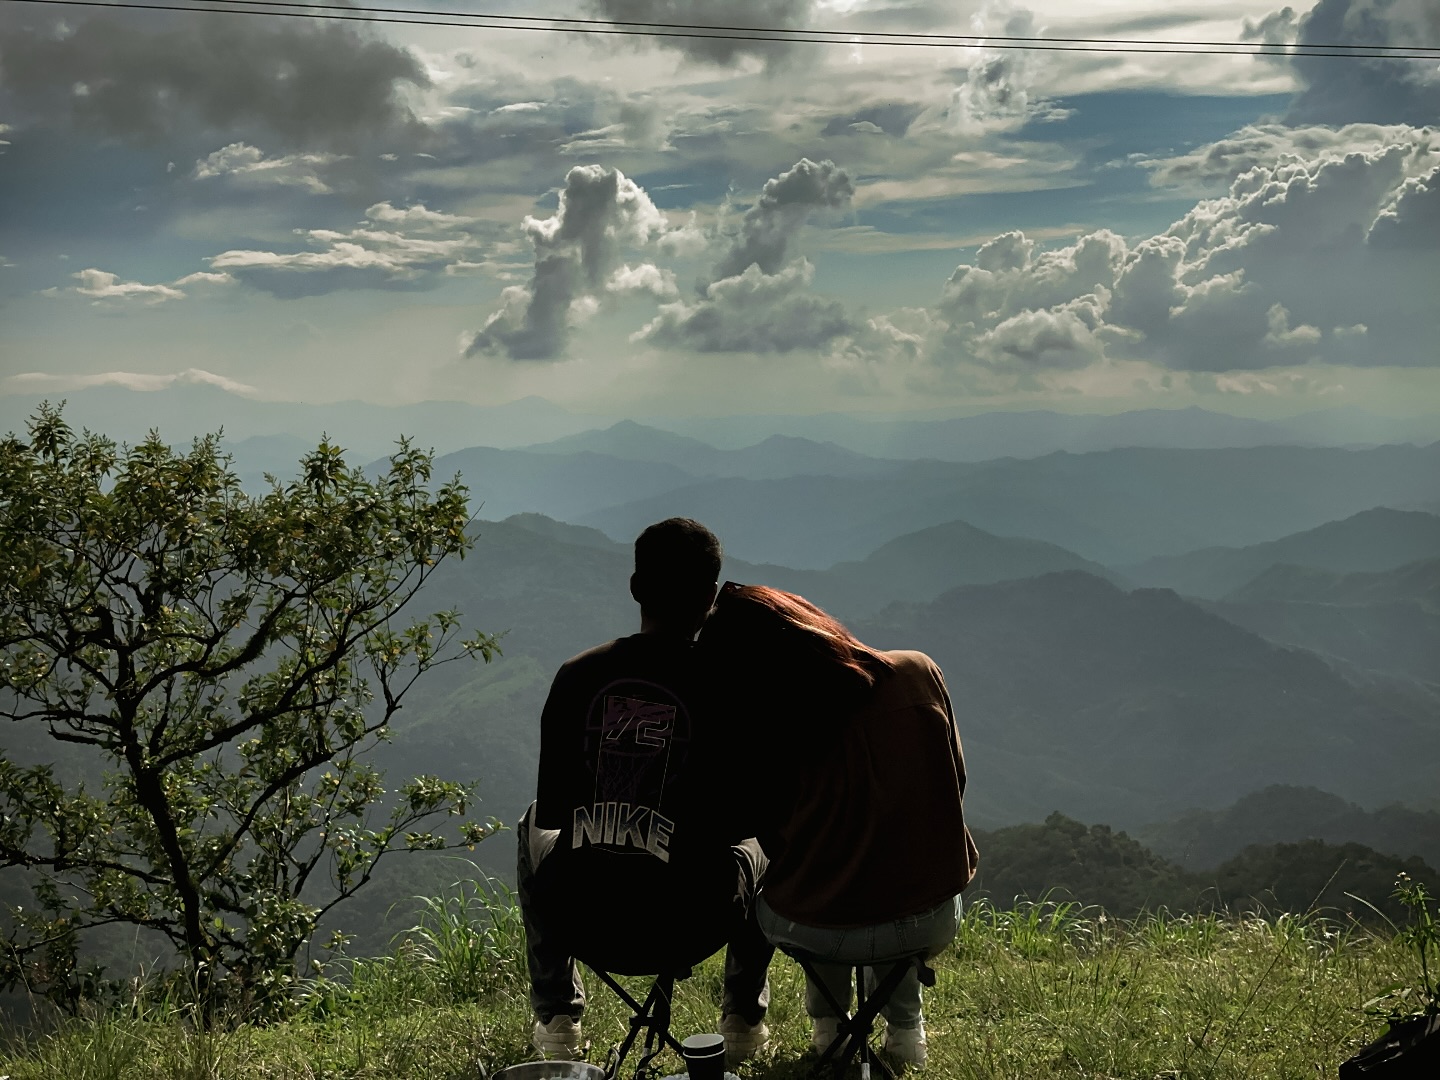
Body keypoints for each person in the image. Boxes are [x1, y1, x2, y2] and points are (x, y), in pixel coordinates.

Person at [516, 519, 773, 1065]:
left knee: (531, 819)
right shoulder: (732, 687)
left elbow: (558, 812)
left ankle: (558, 1017)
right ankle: (742, 1017)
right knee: (766, 836)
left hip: (584, 919)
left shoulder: (576, 676)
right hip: (693, 923)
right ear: (711, 598)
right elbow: (747, 817)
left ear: (636, 588)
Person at [699, 583, 978, 1069]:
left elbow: (767, 833)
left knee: (812, 875)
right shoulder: (917, 673)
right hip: (926, 919)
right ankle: (907, 1032)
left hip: (817, 929)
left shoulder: (772, 729)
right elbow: (954, 784)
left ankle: (829, 1029)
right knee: (894, 864)